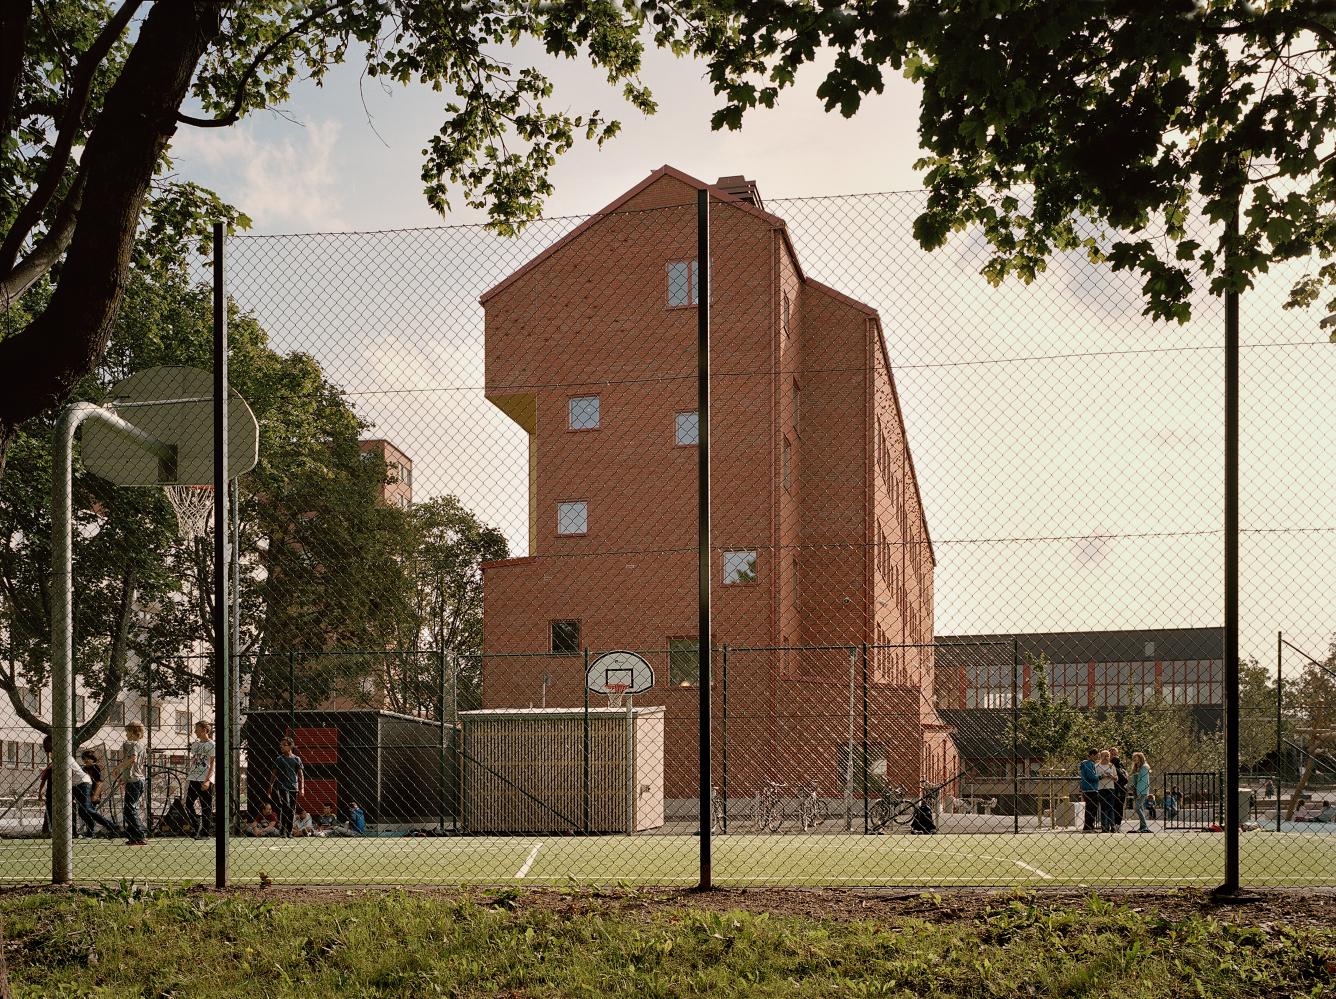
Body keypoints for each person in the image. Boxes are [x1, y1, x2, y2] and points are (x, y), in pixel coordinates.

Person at [110, 722, 148, 845]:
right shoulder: (142, 745)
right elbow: (140, 766)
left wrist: (117, 767)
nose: (125, 734)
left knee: (130, 809)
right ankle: (134, 836)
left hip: (135, 781)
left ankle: (139, 835)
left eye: (127, 731)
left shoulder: (133, 744)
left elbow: (133, 760)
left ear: (133, 732)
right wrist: (125, 777)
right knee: (129, 809)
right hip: (137, 780)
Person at [184, 721, 216, 840]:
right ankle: (196, 824)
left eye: (197, 729)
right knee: (188, 803)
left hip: (205, 778)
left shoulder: (211, 745)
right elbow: (194, 760)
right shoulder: (195, 744)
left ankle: (205, 833)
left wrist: (208, 780)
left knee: (206, 806)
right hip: (193, 777)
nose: (195, 732)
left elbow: (213, 763)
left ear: (204, 730)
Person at [267, 738, 304, 839]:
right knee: (286, 805)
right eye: (281, 745)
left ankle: (289, 831)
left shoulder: (296, 759)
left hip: (293, 786)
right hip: (282, 786)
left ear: (290, 746)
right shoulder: (279, 759)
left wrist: (302, 788)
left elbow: (301, 774)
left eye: (284, 745)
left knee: (292, 809)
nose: (281, 747)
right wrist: (270, 787)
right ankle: (283, 831)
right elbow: (273, 774)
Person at [78, 750, 119, 839]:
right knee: (82, 813)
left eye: (88, 759)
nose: (86, 761)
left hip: (92, 793)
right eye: (84, 759)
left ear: (93, 759)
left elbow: (99, 782)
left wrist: (96, 794)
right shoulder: (84, 769)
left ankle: (92, 832)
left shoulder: (96, 768)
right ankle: (93, 830)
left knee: (89, 812)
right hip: (84, 794)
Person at [1130, 752, 1152, 833]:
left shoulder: (1144, 767)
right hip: (1135, 790)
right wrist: (1131, 787)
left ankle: (1145, 825)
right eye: (1134, 757)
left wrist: (1139, 793)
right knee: (1141, 808)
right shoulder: (1135, 768)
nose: (1134, 759)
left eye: (1136, 757)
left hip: (1141, 790)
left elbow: (1143, 782)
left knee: (1137, 808)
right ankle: (1142, 826)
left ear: (1141, 758)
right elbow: (1134, 780)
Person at [1079, 748, 1100, 833]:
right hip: (1091, 788)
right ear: (1092, 755)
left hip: (1088, 788)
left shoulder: (1086, 764)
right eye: (1096, 756)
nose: (1097, 758)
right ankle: (1088, 826)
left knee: (1090, 808)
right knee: (1092, 808)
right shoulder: (1089, 764)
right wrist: (1100, 776)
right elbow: (1092, 777)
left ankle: (1089, 826)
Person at [1095, 750, 1117, 832]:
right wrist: (1101, 776)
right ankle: (1104, 826)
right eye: (1104, 756)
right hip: (1101, 788)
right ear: (1101, 757)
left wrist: (1112, 776)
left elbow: (1116, 778)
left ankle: (1112, 825)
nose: (1106, 758)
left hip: (1110, 788)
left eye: (1107, 756)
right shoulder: (1097, 766)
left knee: (1110, 807)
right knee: (1103, 807)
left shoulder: (1111, 766)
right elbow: (1095, 776)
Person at [1110, 747, 1129, 832]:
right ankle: (1117, 824)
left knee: (1113, 808)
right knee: (1119, 808)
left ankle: (1113, 824)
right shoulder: (1122, 769)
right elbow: (1126, 779)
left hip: (1114, 790)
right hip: (1121, 790)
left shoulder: (1112, 768)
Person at [37, 735, 53, 837]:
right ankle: (53, 831)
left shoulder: (66, 767)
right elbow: (42, 782)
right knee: (51, 814)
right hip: (50, 795)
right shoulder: (48, 770)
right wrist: (40, 794)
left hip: (62, 795)